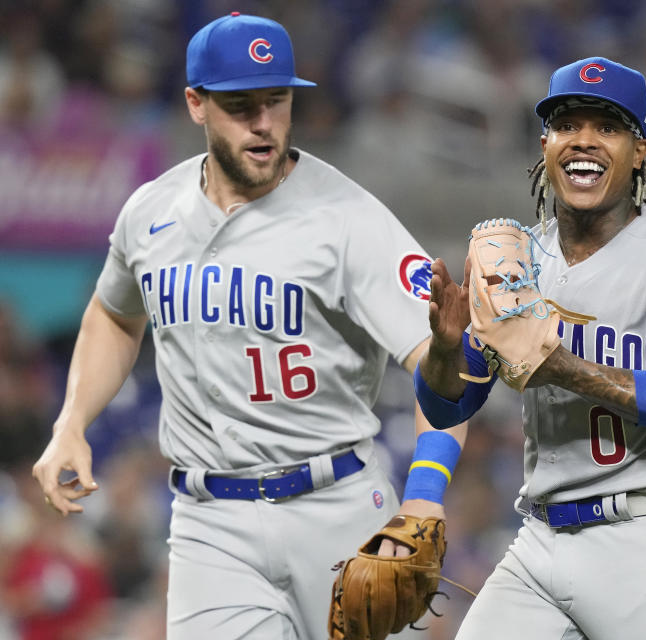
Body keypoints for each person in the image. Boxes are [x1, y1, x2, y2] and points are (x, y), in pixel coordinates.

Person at [31, 13, 467, 639]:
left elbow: (441, 365)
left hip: (338, 509)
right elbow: (113, 313)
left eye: (277, 100)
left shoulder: (348, 218)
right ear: (196, 104)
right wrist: (72, 421)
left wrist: (424, 496)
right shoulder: (150, 213)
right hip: (211, 528)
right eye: (241, 105)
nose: (264, 123)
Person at [416, 57, 646, 639]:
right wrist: (445, 350)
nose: (584, 141)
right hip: (542, 539)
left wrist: (564, 368)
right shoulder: (519, 262)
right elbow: (450, 408)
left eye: (608, 126)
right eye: (567, 124)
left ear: (640, 148)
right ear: (545, 141)